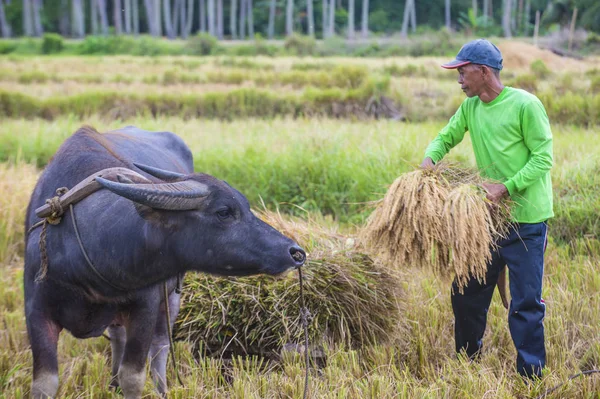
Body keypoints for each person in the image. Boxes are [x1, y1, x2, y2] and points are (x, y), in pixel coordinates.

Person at [420, 39, 553, 379]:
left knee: (525, 304)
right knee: (466, 294)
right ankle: (467, 365)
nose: (459, 79)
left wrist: (505, 187)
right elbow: (445, 137)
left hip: (527, 221)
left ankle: (531, 376)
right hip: (488, 221)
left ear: (483, 71)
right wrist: (430, 160)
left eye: (463, 72)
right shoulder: (470, 108)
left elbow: (543, 158)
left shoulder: (525, 105)